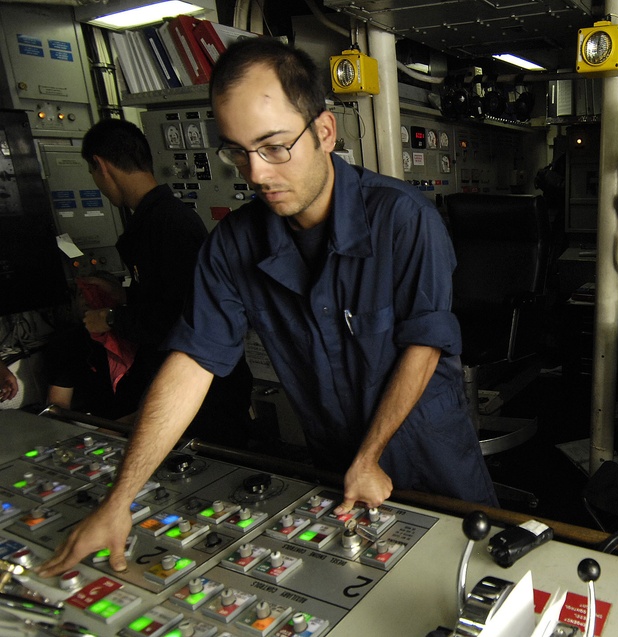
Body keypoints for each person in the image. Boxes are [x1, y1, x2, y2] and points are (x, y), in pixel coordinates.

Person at [40, 38, 496, 577]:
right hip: (333, 466)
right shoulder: (232, 245)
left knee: (469, 582)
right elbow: (192, 363)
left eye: (274, 146)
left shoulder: (404, 219)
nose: (255, 174)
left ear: (324, 132)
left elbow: (423, 345)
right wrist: (119, 501)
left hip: (432, 458)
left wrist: (371, 455)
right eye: (237, 151)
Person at [76, 119, 252, 440]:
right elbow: (164, 295)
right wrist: (121, 294)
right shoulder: (152, 221)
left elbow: (180, 316)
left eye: (92, 171)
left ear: (100, 166)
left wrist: (111, 318)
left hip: (203, 390)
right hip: (188, 383)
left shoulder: (168, 223)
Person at [46, 273, 145, 420]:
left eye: (96, 291)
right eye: (82, 293)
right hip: (94, 425)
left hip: (145, 424)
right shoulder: (68, 342)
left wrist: (114, 430)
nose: (87, 298)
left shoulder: (142, 337)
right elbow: (58, 404)